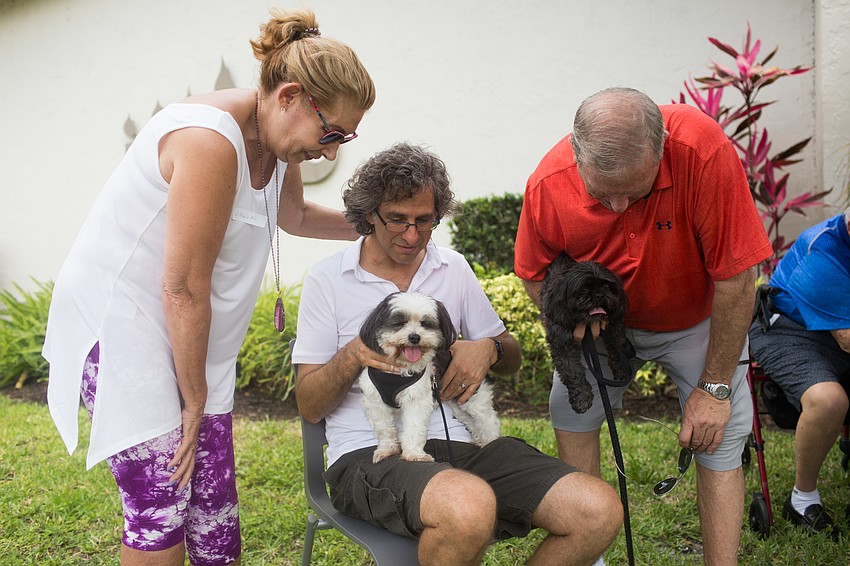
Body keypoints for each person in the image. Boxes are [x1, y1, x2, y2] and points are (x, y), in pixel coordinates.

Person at [42, 9, 374, 565]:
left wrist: (378, 223)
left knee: (213, 513)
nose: (333, 151)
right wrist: (194, 400)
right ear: (289, 95)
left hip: (190, 329)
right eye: (332, 133)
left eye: (347, 137)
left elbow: (292, 215)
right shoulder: (208, 140)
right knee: (160, 504)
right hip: (123, 325)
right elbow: (182, 287)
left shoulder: (274, 135)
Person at [293, 142, 623, 566]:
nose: (412, 236)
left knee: (597, 511)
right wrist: (353, 355)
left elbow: (511, 355)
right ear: (368, 215)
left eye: (425, 221)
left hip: (466, 446)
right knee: (468, 507)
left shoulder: (453, 267)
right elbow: (309, 404)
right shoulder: (328, 279)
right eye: (396, 220)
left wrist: (488, 348)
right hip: (369, 455)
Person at [514, 87, 772, 566]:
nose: (616, 207)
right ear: (576, 154)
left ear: (662, 148)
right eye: (601, 193)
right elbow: (533, 274)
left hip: (695, 317)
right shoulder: (548, 183)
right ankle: (588, 552)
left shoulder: (703, 153)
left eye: (635, 191)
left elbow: (738, 280)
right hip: (604, 324)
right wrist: (577, 328)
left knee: (720, 432)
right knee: (571, 411)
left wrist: (714, 388)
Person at [748, 210, 850, 540]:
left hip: (836, 331)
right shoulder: (822, 252)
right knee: (828, 400)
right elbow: (847, 340)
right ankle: (803, 499)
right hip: (789, 331)